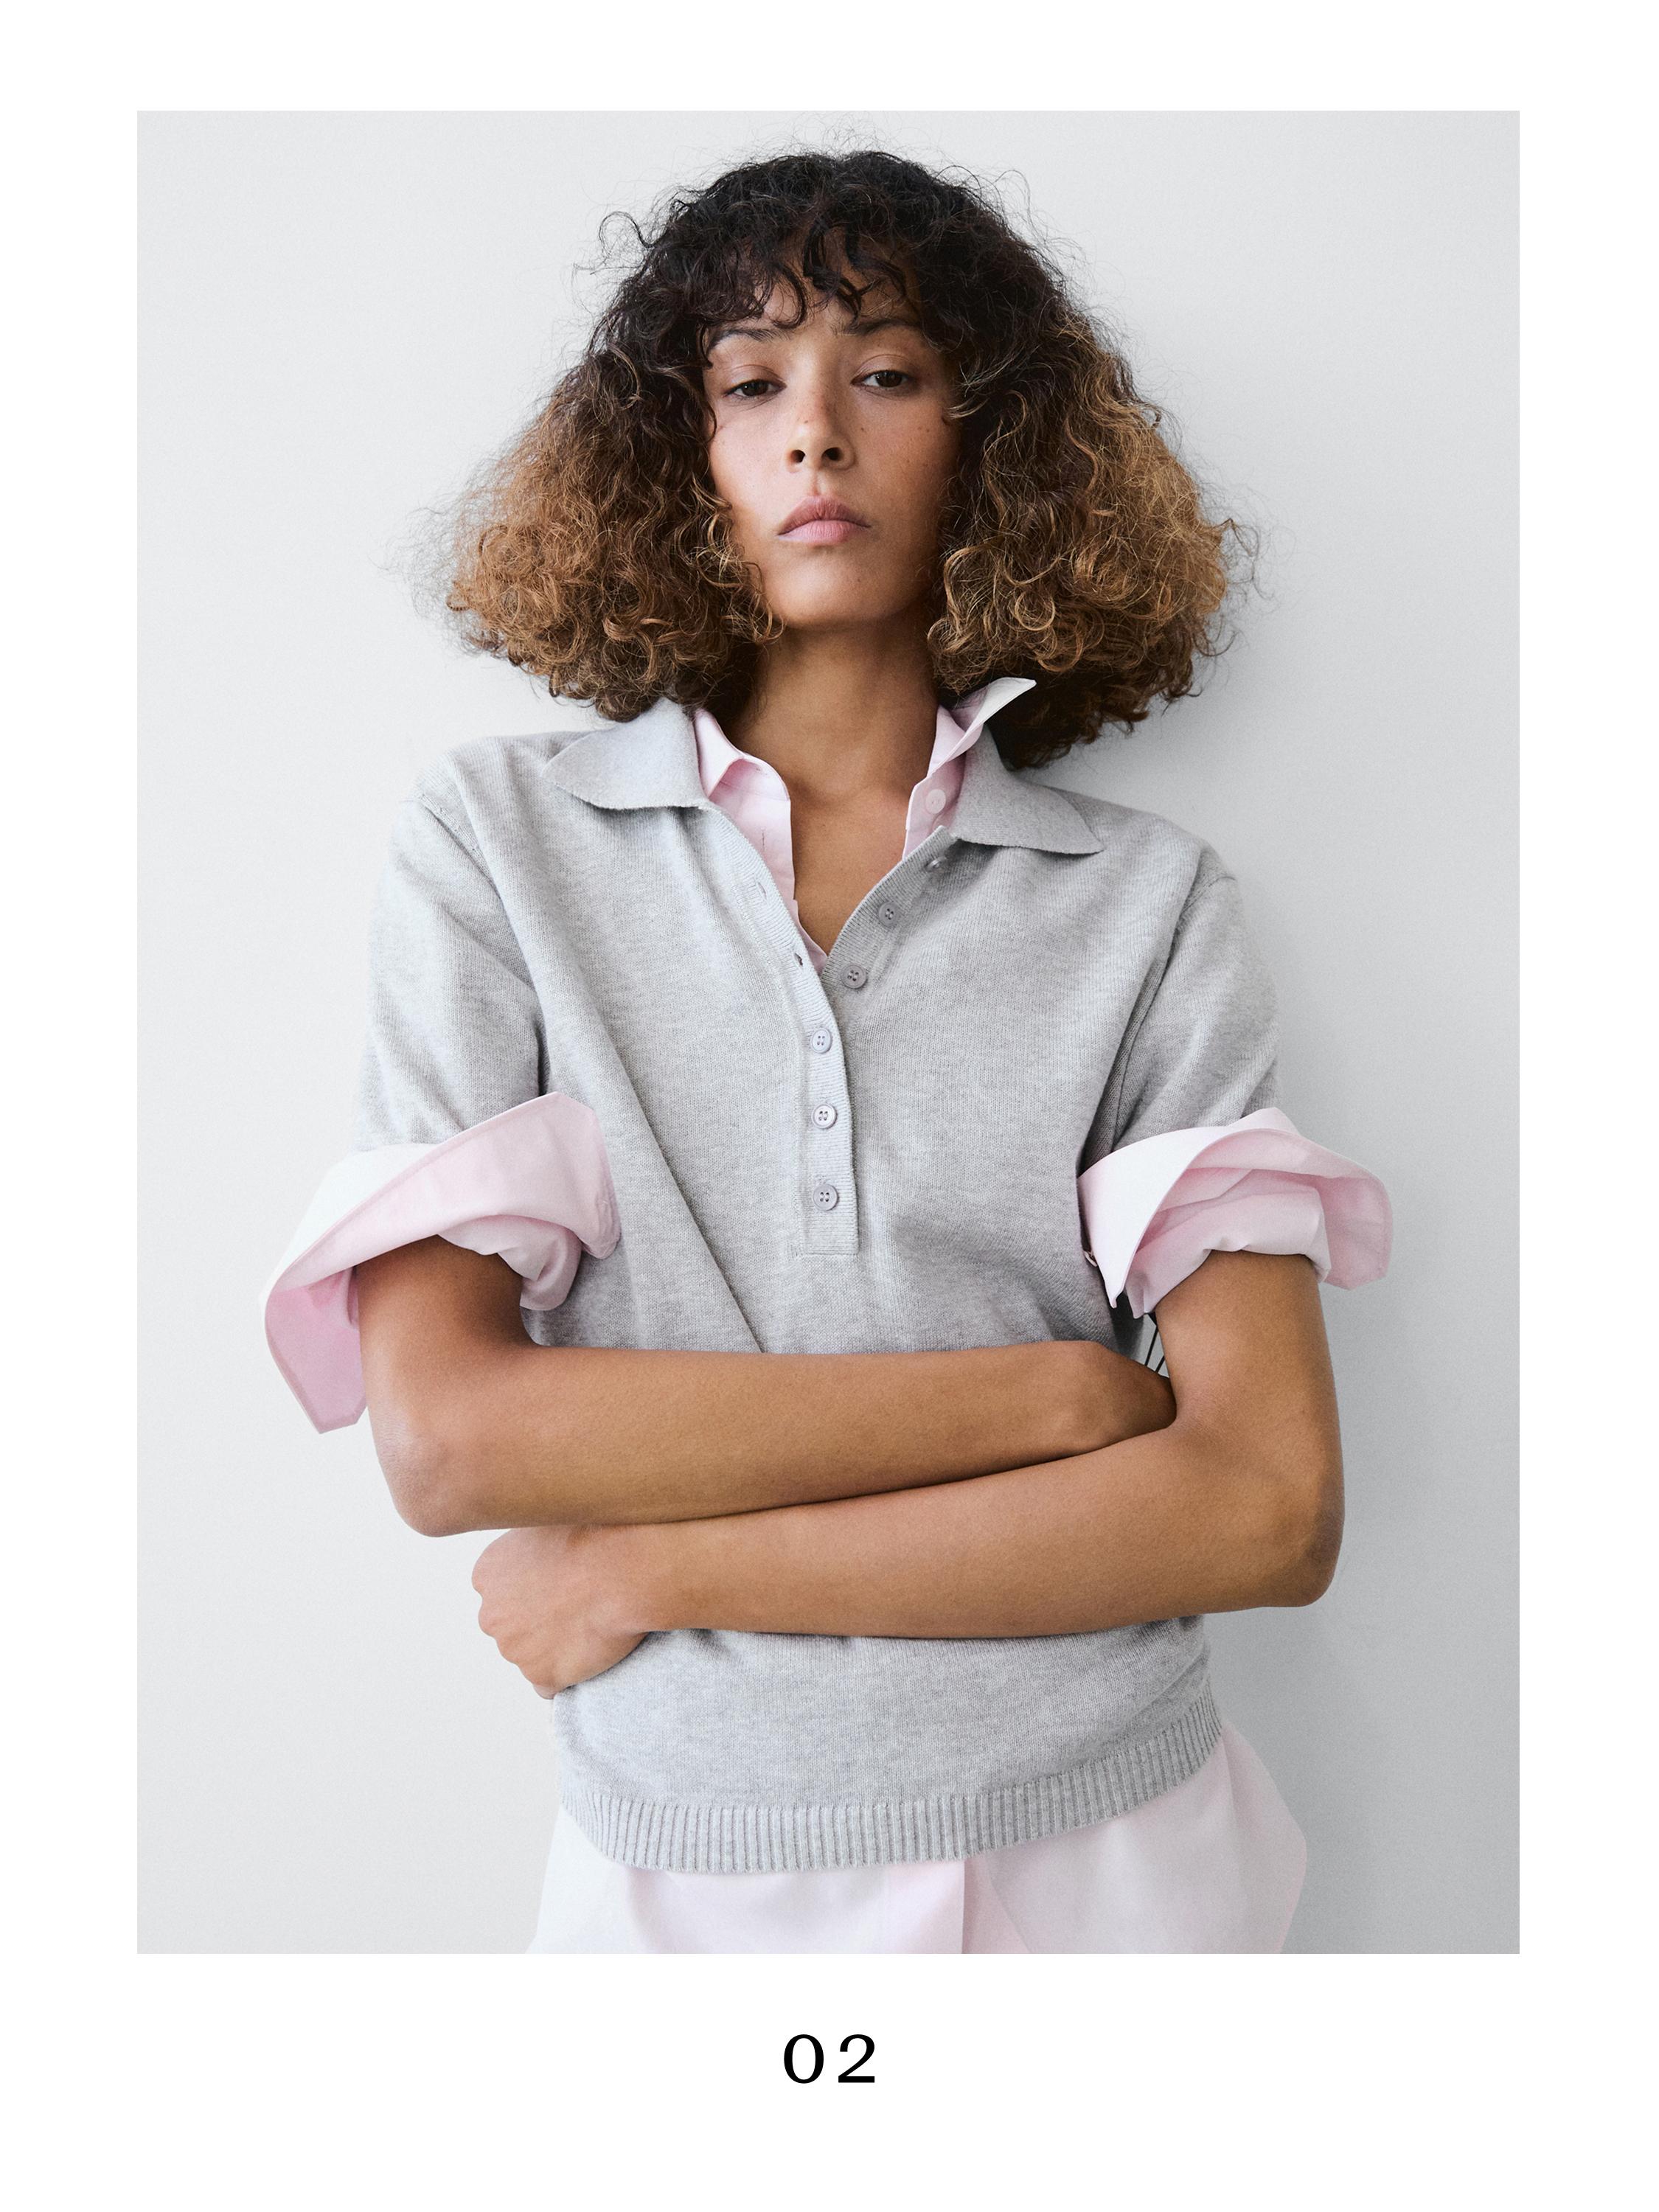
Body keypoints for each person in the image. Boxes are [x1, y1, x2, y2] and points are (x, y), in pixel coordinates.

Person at [262, 147, 1392, 1953]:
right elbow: (455, 1441)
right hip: (681, 1867)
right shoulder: (499, 850)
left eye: (886, 372)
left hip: (1116, 1862)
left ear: (992, 446)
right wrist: (1049, 1395)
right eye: (748, 382)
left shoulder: (1149, 906)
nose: (814, 436)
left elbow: (1262, 1508)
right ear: (673, 459)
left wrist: (655, 1560)